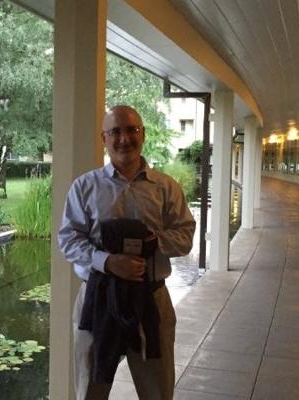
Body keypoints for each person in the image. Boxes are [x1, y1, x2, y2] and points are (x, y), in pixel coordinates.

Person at [58, 105, 195, 399]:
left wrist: (153, 242)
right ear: (104, 139)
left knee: (157, 391)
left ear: (142, 134)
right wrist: (107, 262)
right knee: (90, 389)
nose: (124, 139)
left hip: (152, 300)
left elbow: (185, 236)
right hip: (97, 299)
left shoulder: (166, 187)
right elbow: (68, 239)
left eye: (132, 130)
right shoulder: (84, 186)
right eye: (115, 131)